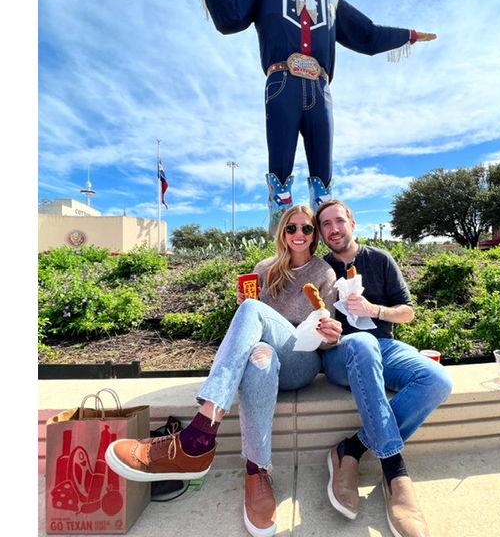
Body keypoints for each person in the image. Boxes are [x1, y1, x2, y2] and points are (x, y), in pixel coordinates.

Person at [164, 0, 437, 233]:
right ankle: (281, 240)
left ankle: (328, 238)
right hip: (282, 81)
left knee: (323, 178)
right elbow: (228, 15)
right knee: (279, 174)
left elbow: (366, 34)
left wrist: (407, 35)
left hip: (321, 88)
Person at [106, 205, 341, 537]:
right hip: (267, 359)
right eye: (292, 229)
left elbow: (322, 333)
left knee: (252, 310)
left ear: (314, 235)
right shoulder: (264, 269)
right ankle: (256, 470)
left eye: (306, 229)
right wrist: (246, 311)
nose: (299, 235)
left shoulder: (323, 273)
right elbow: (254, 329)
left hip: (301, 361)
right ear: (282, 233)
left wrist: (331, 334)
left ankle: (200, 435)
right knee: (258, 355)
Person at [315, 199, 453, 537]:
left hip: (385, 345)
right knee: (360, 343)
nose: (333, 229)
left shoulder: (379, 259)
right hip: (340, 354)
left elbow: (407, 312)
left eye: (338, 221)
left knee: (437, 380)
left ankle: (353, 448)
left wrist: (374, 309)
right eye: (325, 225)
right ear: (320, 233)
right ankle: (394, 468)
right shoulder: (320, 269)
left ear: (352, 223)